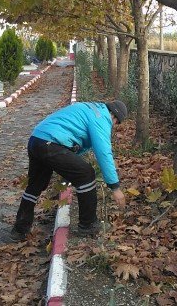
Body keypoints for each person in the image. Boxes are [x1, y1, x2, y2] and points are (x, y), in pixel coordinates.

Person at [10, 100, 128, 241]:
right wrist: (115, 187)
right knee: (86, 174)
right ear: (114, 117)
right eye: (116, 123)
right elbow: (103, 153)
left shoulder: (90, 109)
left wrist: (68, 171)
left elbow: (75, 146)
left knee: (35, 186)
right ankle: (88, 224)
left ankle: (19, 229)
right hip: (51, 143)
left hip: (37, 139)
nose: (113, 126)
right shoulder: (101, 118)